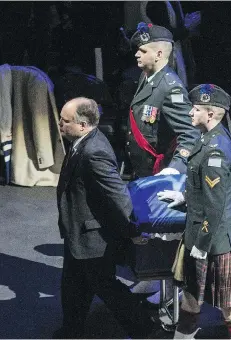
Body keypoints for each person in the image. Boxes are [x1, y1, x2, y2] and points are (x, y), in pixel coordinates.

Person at [54, 97, 155, 339]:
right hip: (79, 233)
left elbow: (117, 193)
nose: (59, 124)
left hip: (94, 238)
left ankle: (145, 330)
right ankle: (72, 330)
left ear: (82, 125)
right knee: (74, 286)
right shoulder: (83, 141)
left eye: (64, 121)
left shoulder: (94, 151)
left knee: (107, 289)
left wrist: (133, 229)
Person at [156, 84, 231, 340]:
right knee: (190, 299)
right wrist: (185, 197)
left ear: (210, 114)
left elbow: (216, 205)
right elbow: (205, 190)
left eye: (195, 109)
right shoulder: (208, 140)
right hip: (199, 235)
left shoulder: (215, 151)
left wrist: (201, 245)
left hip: (215, 242)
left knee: (229, 307)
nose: (190, 113)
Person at [127, 22, 199, 179]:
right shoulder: (146, 76)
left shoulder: (171, 88)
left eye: (143, 51)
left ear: (159, 54)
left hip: (158, 173)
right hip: (143, 170)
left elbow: (190, 133)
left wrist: (176, 167)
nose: (136, 54)